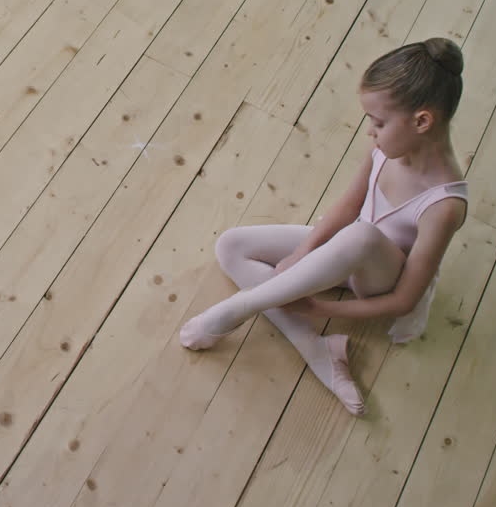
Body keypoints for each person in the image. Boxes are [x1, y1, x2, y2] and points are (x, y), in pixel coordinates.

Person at [179, 38, 469, 415]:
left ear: (422, 121)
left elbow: (404, 299)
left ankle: (242, 306)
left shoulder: (444, 205)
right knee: (231, 246)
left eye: (378, 122)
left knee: (362, 236)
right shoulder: (384, 149)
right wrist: (301, 256)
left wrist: (318, 306)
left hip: (379, 280)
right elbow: (347, 208)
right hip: (347, 251)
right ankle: (319, 351)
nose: (370, 131)